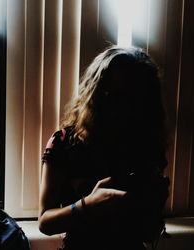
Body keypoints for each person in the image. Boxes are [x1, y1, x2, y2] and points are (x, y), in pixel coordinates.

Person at [38, 46, 169, 250]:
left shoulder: (147, 145)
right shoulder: (65, 142)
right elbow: (45, 221)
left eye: (132, 99)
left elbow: (147, 233)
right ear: (96, 93)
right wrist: (88, 205)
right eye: (111, 95)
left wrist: (154, 205)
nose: (120, 107)